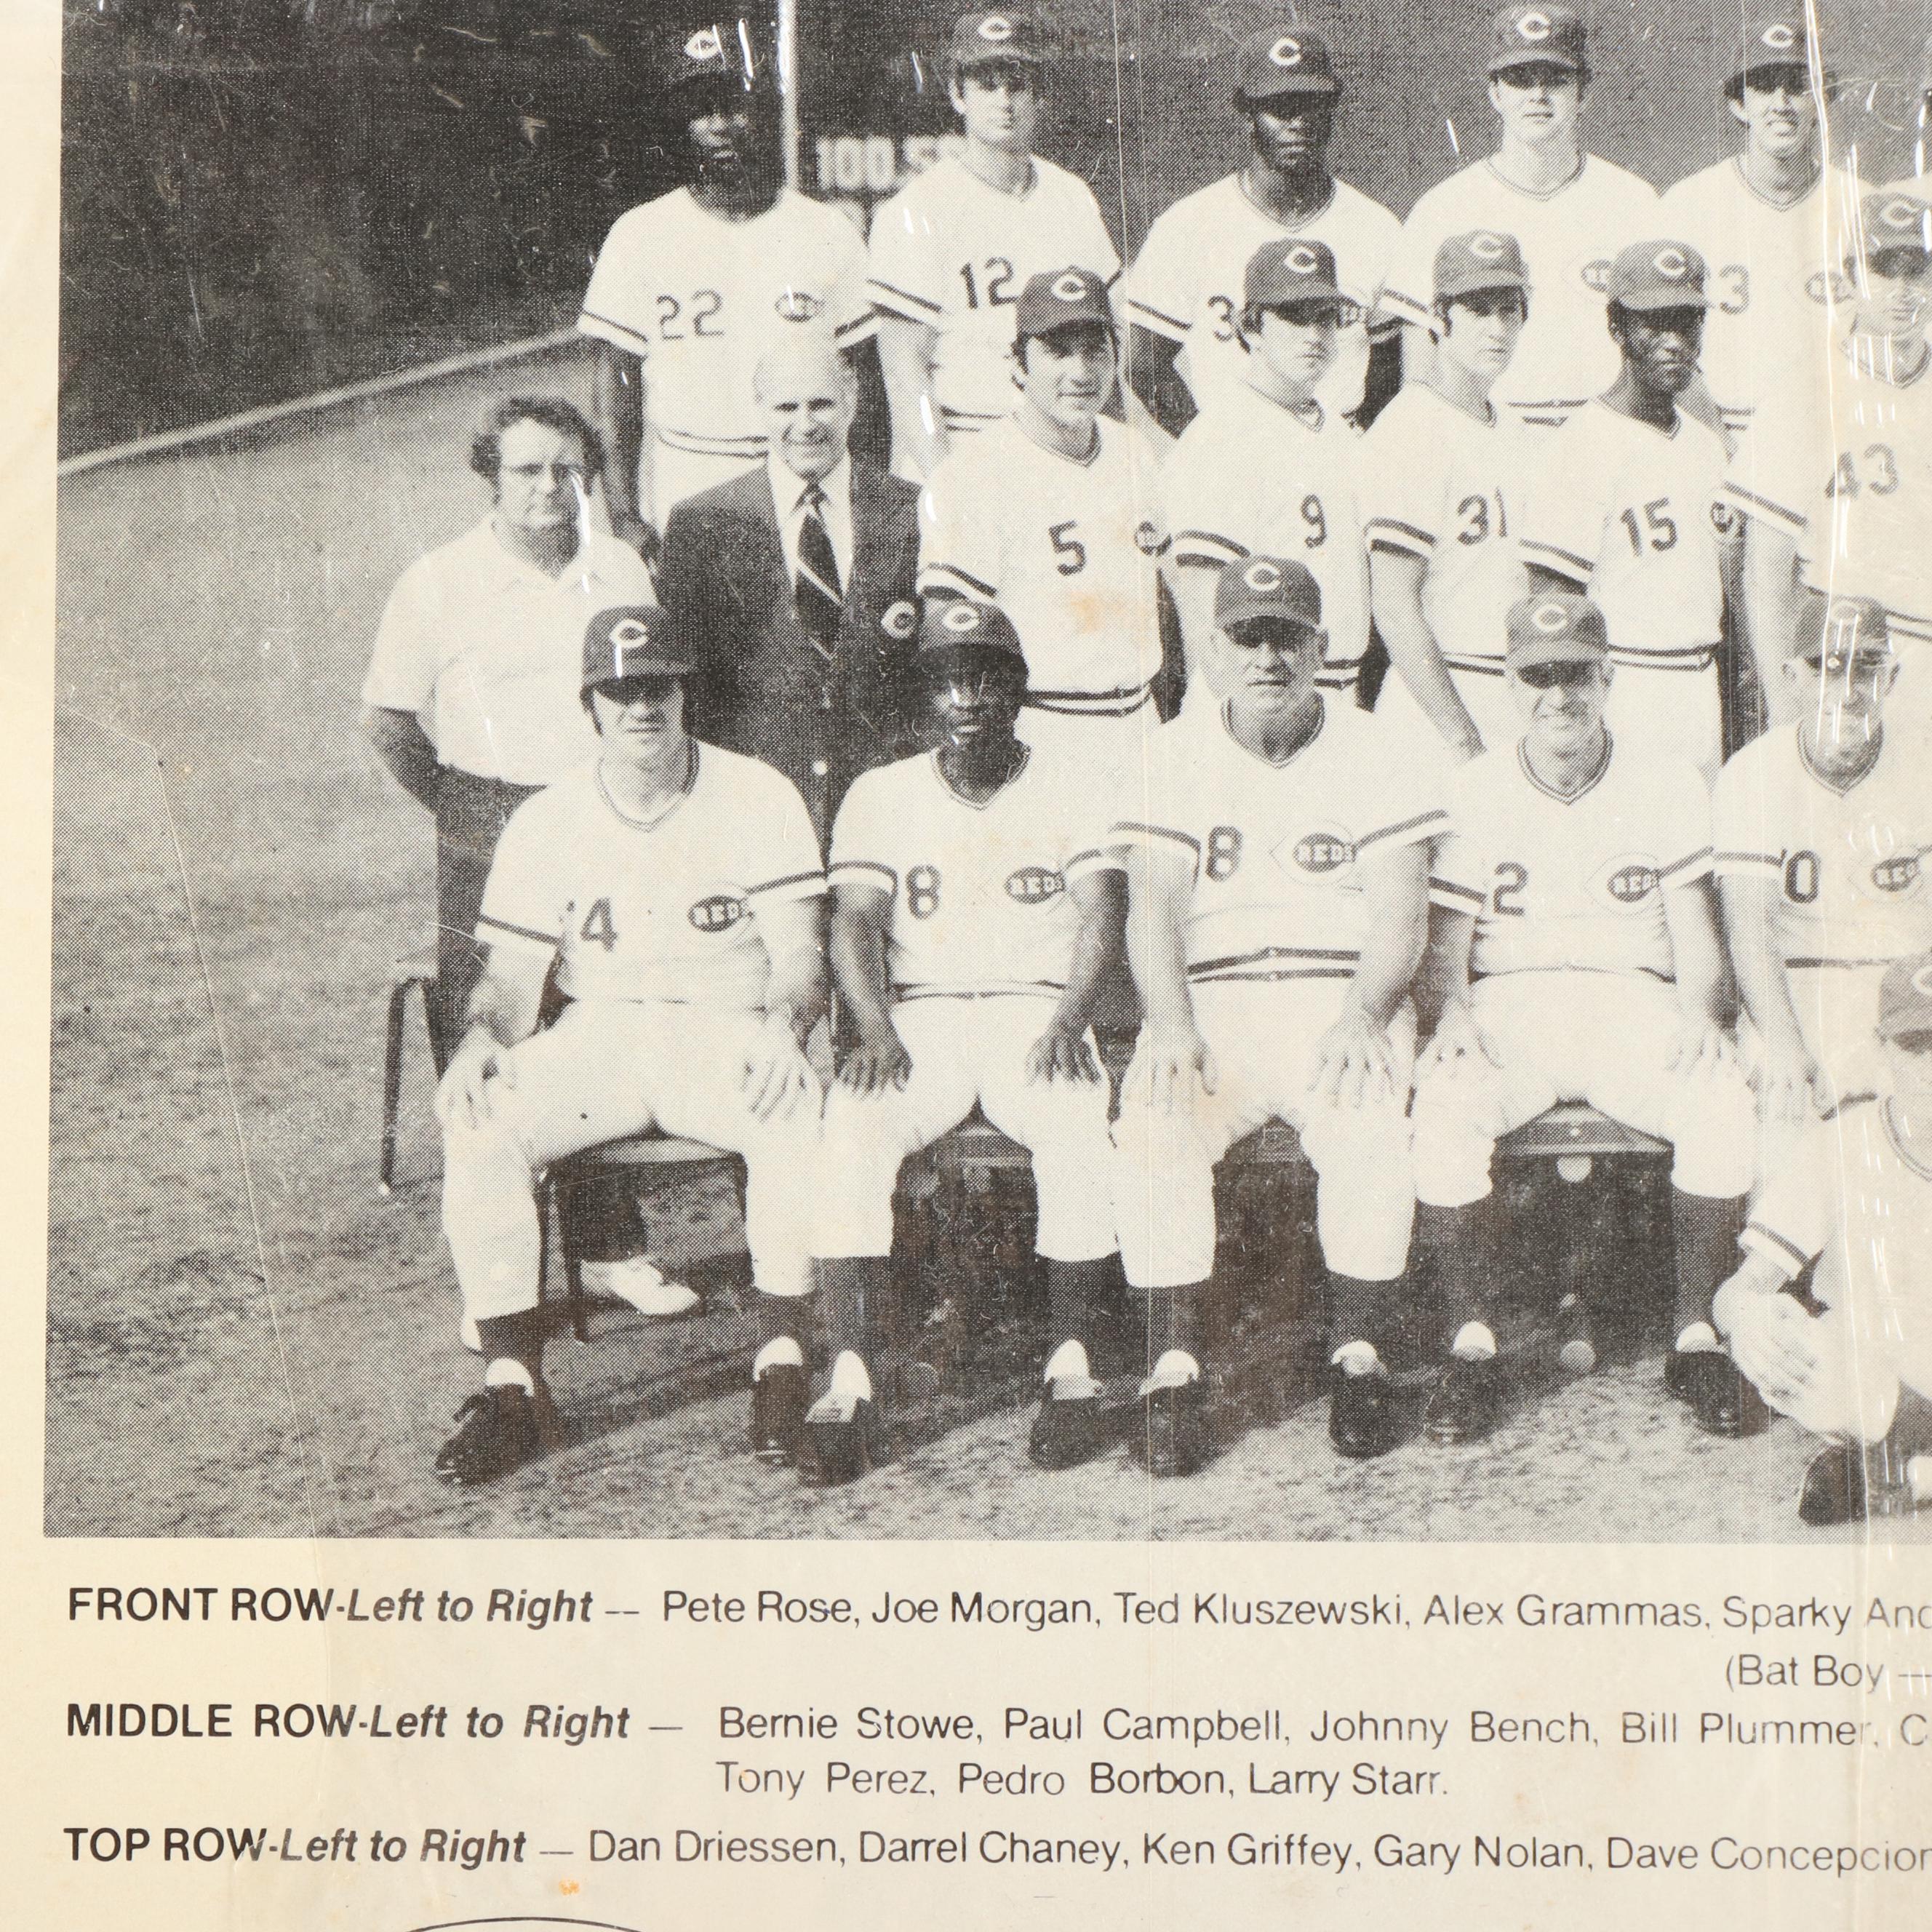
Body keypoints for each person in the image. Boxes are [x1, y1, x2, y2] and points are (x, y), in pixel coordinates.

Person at [430, 605, 828, 1487]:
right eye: (619, 692)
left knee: (791, 1097)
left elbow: (801, 954)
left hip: (722, 1024)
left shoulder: (757, 792)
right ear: (591, 707)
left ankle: (784, 1357)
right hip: (601, 1035)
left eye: (656, 687)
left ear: (685, 692)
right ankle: (512, 1383)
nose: (640, 707)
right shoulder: (547, 818)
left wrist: (785, 1026)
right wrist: (482, 1040)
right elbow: (508, 978)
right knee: (481, 1112)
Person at [1109, 558, 1442, 1476]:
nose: (1267, 657)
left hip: (1336, 993)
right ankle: (1174, 1367)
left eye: (1286, 635)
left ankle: (1361, 1355)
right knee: (1153, 1116)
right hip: (1212, 1001)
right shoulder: (1171, 752)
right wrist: (1169, 1024)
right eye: (1247, 637)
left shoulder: (1378, 747)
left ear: (1321, 646)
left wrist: (1365, 1013)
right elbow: (1152, 912)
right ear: (1213, 648)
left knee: (1367, 1114)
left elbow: (1400, 916)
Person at [1410, 593, 1757, 1444]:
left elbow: (1694, 935)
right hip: (1509, 1001)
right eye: (1538, 676)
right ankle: (1472, 1347)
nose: (1557, 696)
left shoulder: (1666, 780)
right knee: (1445, 1103)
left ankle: (1694, 1337)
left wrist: (1701, 1014)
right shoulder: (1474, 788)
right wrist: (1448, 1012)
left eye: (1575, 675)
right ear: (1508, 684)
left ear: (1608, 678)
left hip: (1628, 997)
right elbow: (1443, 948)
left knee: (1720, 1095)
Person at [806, 599, 1127, 1483]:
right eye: (948, 678)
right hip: (927, 1013)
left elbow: (1103, 909)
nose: (968, 696)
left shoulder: (1073, 781)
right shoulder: (883, 792)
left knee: (1071, 1120)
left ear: (1016, 690)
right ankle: (850, 1376)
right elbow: (854, 923)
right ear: (924, 697)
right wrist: (872, 1028)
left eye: (986, 675)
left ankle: (1072, 1373)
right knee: (854, 1125)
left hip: (1035, 1006)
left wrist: (1070, 1018)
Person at [361, 397, 654, 1063]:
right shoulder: (437, 580)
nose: (549, 487)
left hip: (609, 810)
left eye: (568, 471)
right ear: (492, 475)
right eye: (527, 470)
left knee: (621, 992)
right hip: (489, 818)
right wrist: (461, 803)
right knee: (488, 1016)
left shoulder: (621, 569)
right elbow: (384, 720)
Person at [578, 25, 879, 546]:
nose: (719, 126)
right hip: (693, 473)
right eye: (700, 110)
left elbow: (868, 380)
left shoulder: (826, 229)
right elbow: (615, 391)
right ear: (679, 123)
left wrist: (867, 496)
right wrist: (624, 516)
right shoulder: (639, 235)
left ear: (763, 112)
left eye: (734, 107)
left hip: (808, 472)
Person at [1714, 594, 1932, 1245]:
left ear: (1890, 678)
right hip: (1796, 986)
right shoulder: (1754, 773)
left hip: (1908, 989)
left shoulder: (1924, 763)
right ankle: (1781, 1298)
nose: (1847, 688)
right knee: (1782, 1102)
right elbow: (1748, 932)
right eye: (1827, 667)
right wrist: (1783, 1043)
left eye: (1864, 668)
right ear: (1793, 678)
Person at [658, 339, 923, 848]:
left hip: (887, 795)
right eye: (786, 407)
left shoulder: (912, 510)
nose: (806, 424)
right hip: (760, 801)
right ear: (759, 409)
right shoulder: (702, 523)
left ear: (852, 400)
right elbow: (690, 687)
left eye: (820, 403)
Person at [917, 266, 1168, 781]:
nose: (1080, 371)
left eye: (1095, 350)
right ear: (1018, 363)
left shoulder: (1134, 451)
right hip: (1041, 727)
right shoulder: (972, 475)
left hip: (1142, 721)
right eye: (1057, 351)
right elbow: (952, 642)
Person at [1714, 955, 1932, 1525]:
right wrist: (1748, 1322)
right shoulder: (1842, 1143)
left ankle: (1904, 1466)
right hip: (1875, 1364)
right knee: (1778, 1331)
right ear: (1883, 1048)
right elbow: (1740, 1289)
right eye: (1918, 1044)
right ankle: (1913, 1458)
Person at [1517, 240, 1741, 779]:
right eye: (1653, 323)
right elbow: (1552, 603)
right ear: (1616, 326)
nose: (1673, 342)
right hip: (1624, 685)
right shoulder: (1579, 446)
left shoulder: (1706, 445)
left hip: (1700, 680)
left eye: (1686, 323)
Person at [865, 9, 1120, 478]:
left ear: (1038, 95)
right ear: (958, 95)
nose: (1004, 101)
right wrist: (949, 488)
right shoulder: (914, 210)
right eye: (986, 84)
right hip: (964, 445)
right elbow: (905, 373)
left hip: (1062, 447)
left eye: (1017, 85)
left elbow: (1112, 336)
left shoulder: (1071, 196)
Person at [1383, 3, 1656, 428]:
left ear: (1583, 92)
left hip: (1607, 440)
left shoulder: (1633, 202)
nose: (1538, 95)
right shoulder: (1443, 208)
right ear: (1495, 93)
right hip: (1493, 438)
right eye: (1520, 79)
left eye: (1556, 80)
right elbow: (1420, 370)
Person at [1126, 23, 1400, 442]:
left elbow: (1390, 357)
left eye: (1312, 104)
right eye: (1280, 107)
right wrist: (1208, 439)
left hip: (1338, 448)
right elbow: (1143, 364)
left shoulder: (1375, 227)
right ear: (1250, 113)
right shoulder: (1188, 226)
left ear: (1331, 109)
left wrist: (1357, 437)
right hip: (1237, 446)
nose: (1298, 123)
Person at [1720, 191, 1932, 732]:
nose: (1905, 290)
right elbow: (1766, 569)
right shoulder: (1805, 388)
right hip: (1850, 658)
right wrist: (1786, 709)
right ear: (1849, 276)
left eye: (1920, 269)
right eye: (1885, 269)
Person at [1159, 238, 1371, 704]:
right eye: (1294, 316)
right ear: (1251, 329)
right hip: (1258, 696)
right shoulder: (1220, 438)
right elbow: (1205, 619)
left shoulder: (1340, 434)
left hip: (1335, 691)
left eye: (1324, 318)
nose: (1314, 335)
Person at [1361, 231, 1534, 768]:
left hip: (1512, 690)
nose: (1496, 328)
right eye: (1478, 310)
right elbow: (1393, 603)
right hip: (1436, 700)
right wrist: (1458, 736)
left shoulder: (1515, 429)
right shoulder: (1411, 427)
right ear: (1440, 316)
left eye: (1509, 310)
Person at [1657, 15, 1861, 447]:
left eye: (1797, 86)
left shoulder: (1861, 204)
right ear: (1738, 104)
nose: (1781, 103)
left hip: (1833, 433)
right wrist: (1714, 437)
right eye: (1764, 87)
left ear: (1822, 101)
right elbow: (1657, 332)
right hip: (1719, 431)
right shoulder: (1687, 204)